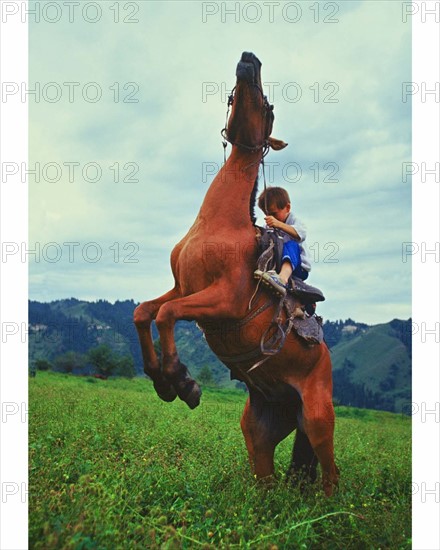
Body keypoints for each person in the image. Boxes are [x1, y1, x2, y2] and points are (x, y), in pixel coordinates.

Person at [254, 186, 311, 297]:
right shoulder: (268, 226)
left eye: (274, 214)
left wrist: (279, 224)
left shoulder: (294, 221)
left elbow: (301, 234)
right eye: (267, 215)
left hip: (299, 268)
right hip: (277, 265)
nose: (271, 218)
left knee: (291, 245)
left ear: (288, 207)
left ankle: (282, 279)